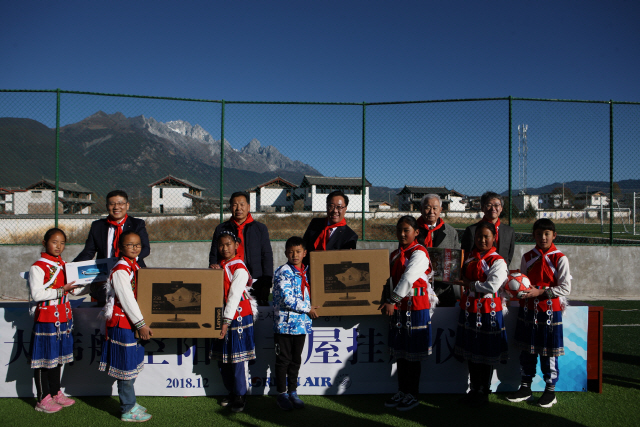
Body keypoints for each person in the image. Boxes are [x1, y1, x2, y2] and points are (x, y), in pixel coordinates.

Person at [507, 219, 571, 408]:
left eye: (547, 234)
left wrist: (541, 292)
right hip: (528, 310)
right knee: (527, 350)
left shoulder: (560, 258)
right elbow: (523, 282)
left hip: (550, 312)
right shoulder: (527, 257)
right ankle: (525, 388)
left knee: (548, 353)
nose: (543, 237)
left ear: (554, 235)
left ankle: (550, 391)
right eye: (538, 234)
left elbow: (566, 288)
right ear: (533, 235)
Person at [379, 216, 434, 412]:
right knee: (401, 354)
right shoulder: (396, 253)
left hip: (415, 307)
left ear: (416, 232)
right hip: (400, 308)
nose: (402, 234)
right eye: (399, 230)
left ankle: (413, 394)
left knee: (412, 355)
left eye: (406, 230)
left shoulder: (419, 253)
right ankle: (402, 390)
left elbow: (408, 278)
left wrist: (391, 301)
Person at [452, 222, 509, 405]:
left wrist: (469, 284)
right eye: (479, 236)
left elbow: (492, 286)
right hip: (469, 309)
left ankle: (483, 391)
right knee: (472, 351)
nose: (482, 240)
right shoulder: (468, 257)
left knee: (485, 352)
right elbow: (457, 276)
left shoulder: (497, 261)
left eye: (486, 236)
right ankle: (474, 389)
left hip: (488, 311)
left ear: (494, 238)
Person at [28, 228, 84, 413]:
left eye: (62, 243)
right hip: (47, 318)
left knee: (57, 358)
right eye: (54, 242)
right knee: (44, 359)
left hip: (63, 317)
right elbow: (37, 294)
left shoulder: (65, 265)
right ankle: (42, 399)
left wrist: (93, 285)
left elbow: (74, 290)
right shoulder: (38, 266)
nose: (59, 246)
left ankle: (55, 392)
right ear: (44, 243)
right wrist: (62, 290)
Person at [99, 231, 153, 422]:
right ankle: (127, 408)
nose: (135, 248)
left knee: (131, 366)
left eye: (137, 245)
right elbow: (128, 300)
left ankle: (130, 402)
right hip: (123, 323)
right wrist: (142, 324)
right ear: (120, 248)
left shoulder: (134, 265)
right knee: (125, 368)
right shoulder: (121, 269)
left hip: (131, 323)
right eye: (130, 245)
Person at [74, 190, 150, 306]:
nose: (116, 207)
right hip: (105, 277)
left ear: (127, 205)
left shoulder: (137, 224)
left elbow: (145, 248)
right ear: (106, 206)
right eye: (112, 204)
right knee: (105, 313)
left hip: (130, 274)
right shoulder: (97, 226)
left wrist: (129, 261)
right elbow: (88, 252)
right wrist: (71, 269)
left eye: (120, 203)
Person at [209, 230, 257, 413]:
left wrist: (225, 322)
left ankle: (240, 395)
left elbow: (234, 296)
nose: (224, 248)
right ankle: (231, 391)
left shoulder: (239, 268)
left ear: (236, 245)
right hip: (224, 317)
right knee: (224, 358)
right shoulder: (222, 265)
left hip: (237, 318)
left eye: (228, 244)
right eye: (221, 245)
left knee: (238, 358)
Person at [272, 236, 319, 411]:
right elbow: (287, 298)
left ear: (305, 253)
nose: (295, 255)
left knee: (295, 360)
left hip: (300, 325)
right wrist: (308, 308)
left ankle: (293, 391)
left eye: (298, 251)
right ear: (285, 253)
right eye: (291, 252)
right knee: (283, 360)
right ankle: (281, 394)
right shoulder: (283, 271)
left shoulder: (306, 272)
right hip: (284, 325)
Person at [209, 192, 273, 306]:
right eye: (235, 205)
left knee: (254, 315)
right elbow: (214, 253)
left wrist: (267, 282)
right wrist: (213, 266)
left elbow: (267, 255)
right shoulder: (221, 228)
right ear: (230, 207)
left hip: (255, 281)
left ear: (248, 206)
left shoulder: (260, 229)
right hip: (228, 280)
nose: (238, 208)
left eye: (242, 204)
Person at [417, 194, 461, 306]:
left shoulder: (451, 232)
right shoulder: (412, 230)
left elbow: (456, 259)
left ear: (441, 210)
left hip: (444, 289)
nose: (431, 211)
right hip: (418, 288)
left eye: (435, 208)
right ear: (421, 209)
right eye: (427, 207)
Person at [302, 190, 358, 266]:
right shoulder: (315, 223)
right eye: (331, 206)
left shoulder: (350, 236)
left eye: (339, 207)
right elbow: (304, 248)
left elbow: (346, 262)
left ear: (345, 209)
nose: (335, 211)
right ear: (326, 207)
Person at [461, 191, 515, 266]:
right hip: (478, 274)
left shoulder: (509, 231)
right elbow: (466, 256)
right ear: (482, 208)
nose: (493, 208)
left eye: (496, 205)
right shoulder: (472, 230)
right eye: (489, 205)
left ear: (501, 208)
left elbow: (509, 256)